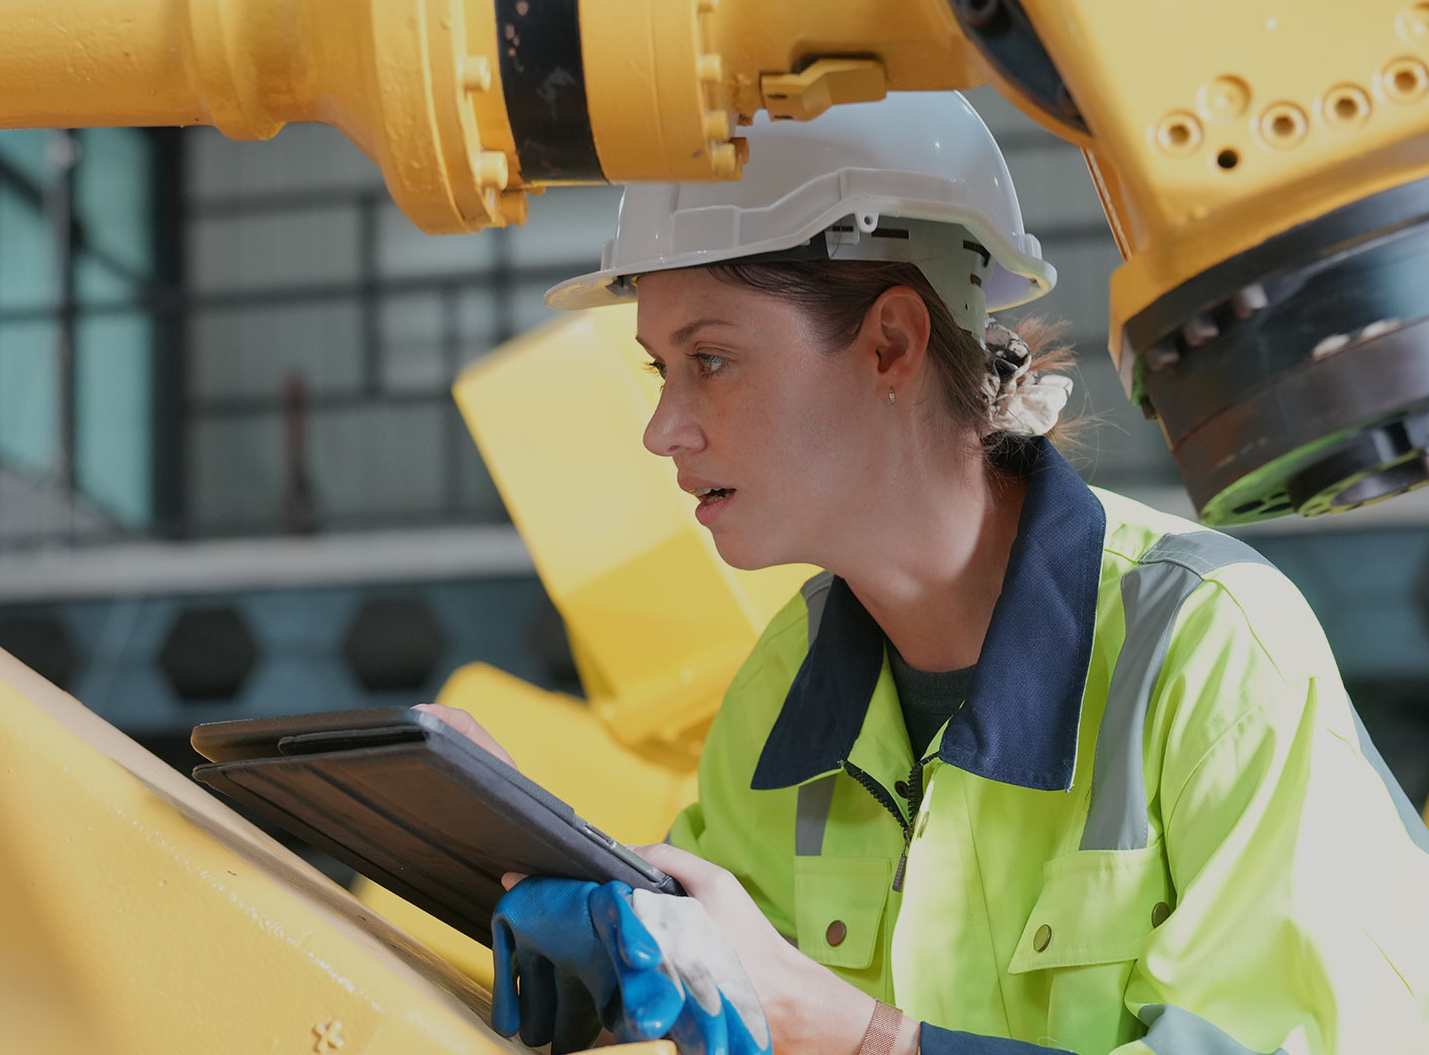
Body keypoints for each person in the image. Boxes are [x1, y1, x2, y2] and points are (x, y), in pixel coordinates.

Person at [425, 93, 1429, 1055]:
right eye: (661, 369)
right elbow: (705, 989)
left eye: (713, 360)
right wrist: (524, 852)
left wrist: (869, 1043)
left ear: (891, 344)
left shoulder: (1206, 646)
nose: (662, 429)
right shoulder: (785, 687)